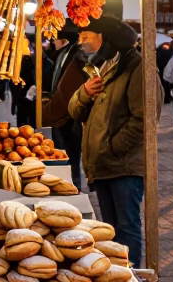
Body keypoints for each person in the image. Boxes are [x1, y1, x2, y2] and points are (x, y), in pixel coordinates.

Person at [68, 16, 161, 265]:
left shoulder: (138, 67)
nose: (81, 42)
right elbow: (74, 111)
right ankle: (115, 280)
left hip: (124, 166)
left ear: (105, 40)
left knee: (126, 227)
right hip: (103, 165)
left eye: (86, 37)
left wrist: (111, 147)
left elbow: (144, 119)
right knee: (109, 230)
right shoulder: (100, 67)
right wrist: (84, 93)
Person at [41, 24, 87, 190]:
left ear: (64, 40)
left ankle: (73, 189)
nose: (52, 42)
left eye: (55, 38)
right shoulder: (64, 54)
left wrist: (52, 109)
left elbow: (69, 88)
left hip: (69, 117)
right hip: (62, 115)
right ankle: (68, 186)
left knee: (70, 157)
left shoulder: (77, 56)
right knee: (65, 156)